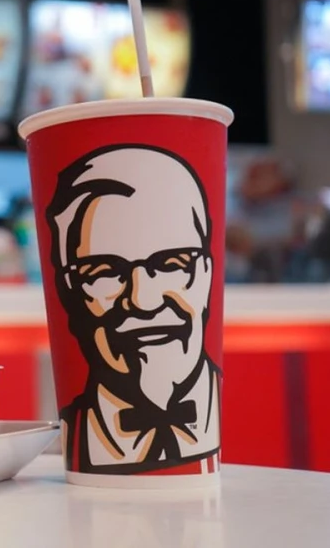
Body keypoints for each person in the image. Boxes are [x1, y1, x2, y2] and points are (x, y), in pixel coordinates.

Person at [47, 146, 221, 475]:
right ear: (68, 291)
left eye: (172, 264)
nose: (143, 300)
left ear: (207, 274)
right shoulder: (73, 432)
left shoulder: (254, 419)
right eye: (103, 272)